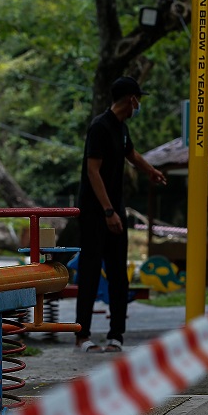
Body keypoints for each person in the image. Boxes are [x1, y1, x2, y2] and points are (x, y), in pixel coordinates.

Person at [75, 76, 166, 353]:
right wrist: (107, 211)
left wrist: (150, 170)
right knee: (90, 273)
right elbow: (93, 171)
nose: (139, 104)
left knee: (118, 273)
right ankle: (83, 336)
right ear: (131, 100)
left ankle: (116, 335)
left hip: (115, 210)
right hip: (96, 212)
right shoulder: (100, 127)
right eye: (138, 99)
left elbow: (132, 154)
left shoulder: (121, 129)